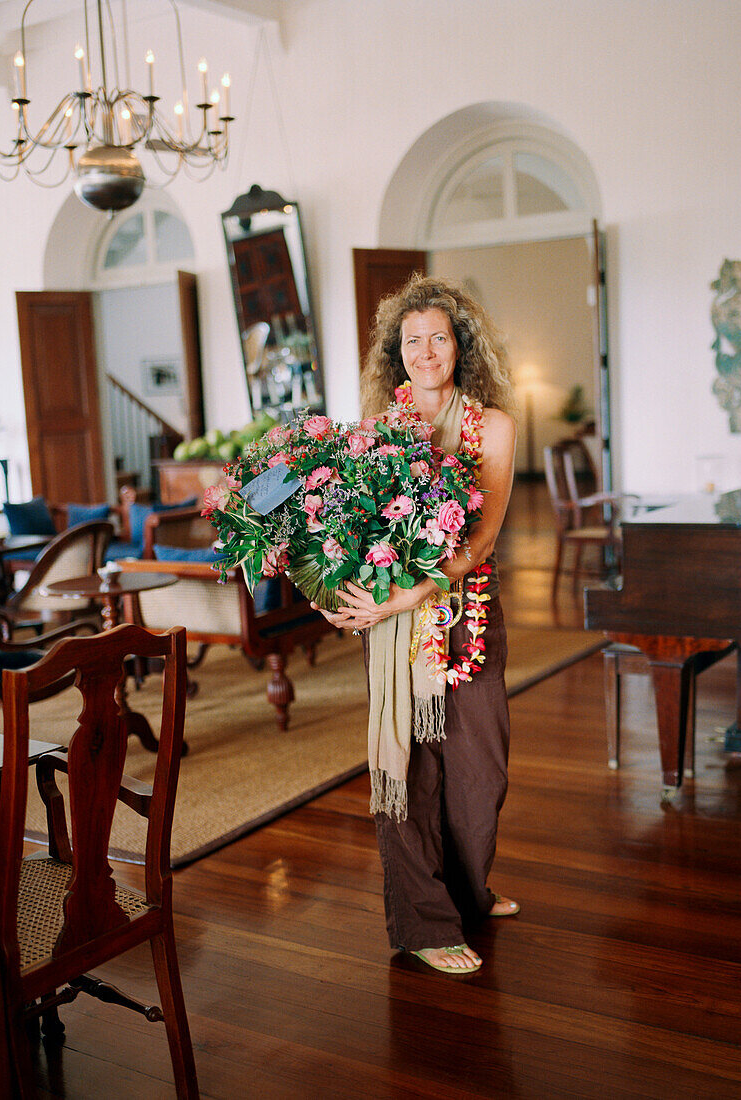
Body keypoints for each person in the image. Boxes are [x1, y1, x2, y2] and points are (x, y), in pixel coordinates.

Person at [313, 273, 518, 975]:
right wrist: (333, 587)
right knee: (409, 767)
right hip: (393, 628)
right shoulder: (376, 433)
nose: (424, 351)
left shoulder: (491, 426)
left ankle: (466, 891)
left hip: (462, 615)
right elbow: (345, 534)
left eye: (437, 338)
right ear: (393, 354)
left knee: (480, 767)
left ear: (459, 346)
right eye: (410, 341)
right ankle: (425, 923)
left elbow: (481, 541)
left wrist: (406, 598)